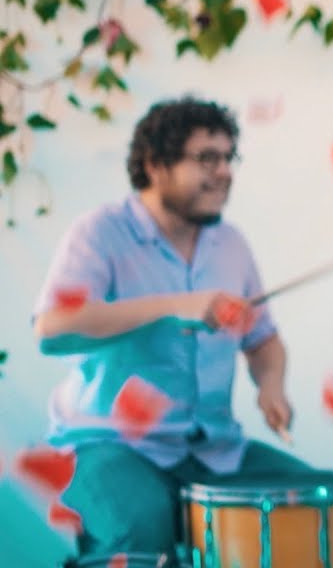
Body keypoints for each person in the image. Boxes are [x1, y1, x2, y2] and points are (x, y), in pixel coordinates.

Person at [32, 96, 310, 561]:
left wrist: (273, 386)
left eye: (228, 157)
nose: (224, 171)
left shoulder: (232, 244)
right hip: (108, 444)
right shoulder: (99, 233)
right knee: (140, 530)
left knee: (329, 500)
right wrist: (174, 306)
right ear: (156, 166)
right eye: (206, 158)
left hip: (215, 449)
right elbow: (53, 328)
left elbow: (262, 339)